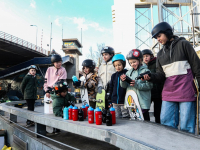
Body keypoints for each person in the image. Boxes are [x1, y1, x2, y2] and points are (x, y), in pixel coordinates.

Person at [142, 22, 200, 133]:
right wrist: (150, 77)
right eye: (156, 38)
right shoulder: (160, 54)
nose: (158, 39)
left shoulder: (184, 44)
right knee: (166, 122)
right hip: (169, 92)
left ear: (167, 32)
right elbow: (160, 75)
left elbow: (197, 67)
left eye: (159, 36)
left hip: (186, 90)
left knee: (186, 125)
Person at [120, 49, 153, 121]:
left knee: (144, 119)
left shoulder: (145, 71)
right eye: (130, 63)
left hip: (142, 101)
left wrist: (136, 85)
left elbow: (149, 86)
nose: (132, 64)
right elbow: (124, 86)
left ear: (140, 60)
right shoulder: (128, 72)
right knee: (135, 120)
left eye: (134, 62)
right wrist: (122, 81)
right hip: (132, 101)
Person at [43, 53, 67, 134]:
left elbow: (62, 81)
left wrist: (55, 90)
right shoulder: (49, 69)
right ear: (53, 63)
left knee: (57, 109)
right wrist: (46, 90)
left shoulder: (63, 70)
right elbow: (46, 81)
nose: (58, 64)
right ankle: (50, 127)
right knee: (49, 111)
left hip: (58, 91)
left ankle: (57, 127)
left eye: (60, 62)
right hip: (49, 91)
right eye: (56, 62)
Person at [142, 49, 163, 123]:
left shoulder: (156, 63)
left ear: (151, 56)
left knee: (158, 111)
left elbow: (160, 77)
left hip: (157, 91)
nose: (145, 58)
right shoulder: (143, 67)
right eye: (143, 57)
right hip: (148, 92)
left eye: (147, 56)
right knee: (145, 109)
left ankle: (158, 124)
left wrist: (161, 91)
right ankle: (146, 123)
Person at [109, 54, 129, 118]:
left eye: (119, 65)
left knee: (125, 115)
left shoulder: (127, 73)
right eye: (115, 65)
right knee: (117, 117)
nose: (117, 67)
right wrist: (110, 100)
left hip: (124, 101)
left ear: (123, 64)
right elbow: (111, 88)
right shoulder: (113, 76)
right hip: (115, 102)